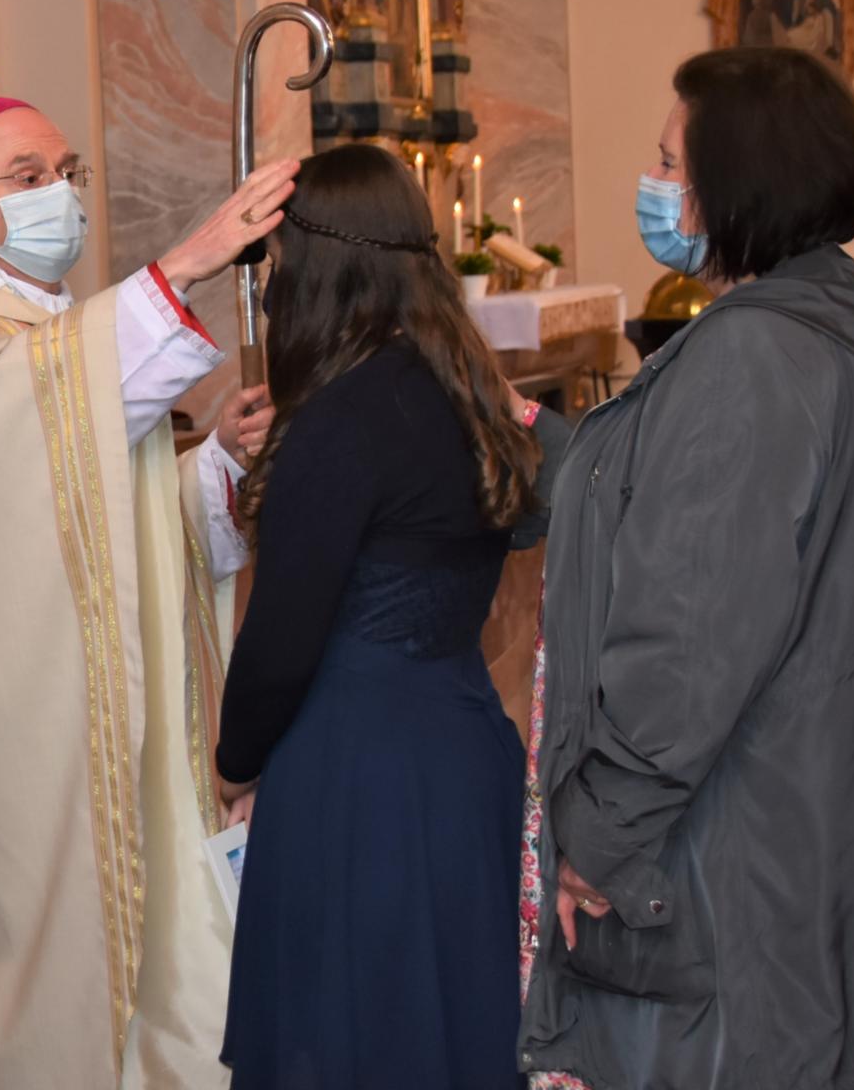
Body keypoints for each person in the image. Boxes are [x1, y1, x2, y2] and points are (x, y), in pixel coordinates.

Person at [519, 47, 854, 1089]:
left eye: (668, 163)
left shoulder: (748, 362)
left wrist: (595, 836)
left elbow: (687, 643)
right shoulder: (846, 335)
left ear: (728, 188)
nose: (654, 186)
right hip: (817, 812)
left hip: (738, 846)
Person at [0, 96, 285, 1090]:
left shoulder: (63, 334)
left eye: (66, 171)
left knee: (159, 972)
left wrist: (211, 464)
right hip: (10, 747)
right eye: (27, 176)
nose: (59, 194)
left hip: (114, 726)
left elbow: (111, 527)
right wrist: (180, 268)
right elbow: (6, 466)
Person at [210, 143, 543, 1089]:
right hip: (463, 750)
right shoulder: (466, 388)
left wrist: (237, 759)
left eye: (275, 266)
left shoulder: (340, 419)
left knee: (349, 1037)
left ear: (318, 269)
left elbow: (283, 636)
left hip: (353, 777)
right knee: (447, 1031)